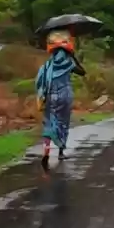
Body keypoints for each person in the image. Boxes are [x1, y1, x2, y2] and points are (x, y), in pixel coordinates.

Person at [34, 32, 86, 171]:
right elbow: (82, 72)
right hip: (65, 96)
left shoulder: (48, 66)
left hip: (51, 96)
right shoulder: (69, 63)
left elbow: (39, 81)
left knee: (49, 121)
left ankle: (46, 149)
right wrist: (73, 56)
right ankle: (61, 152)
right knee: (63, 122)